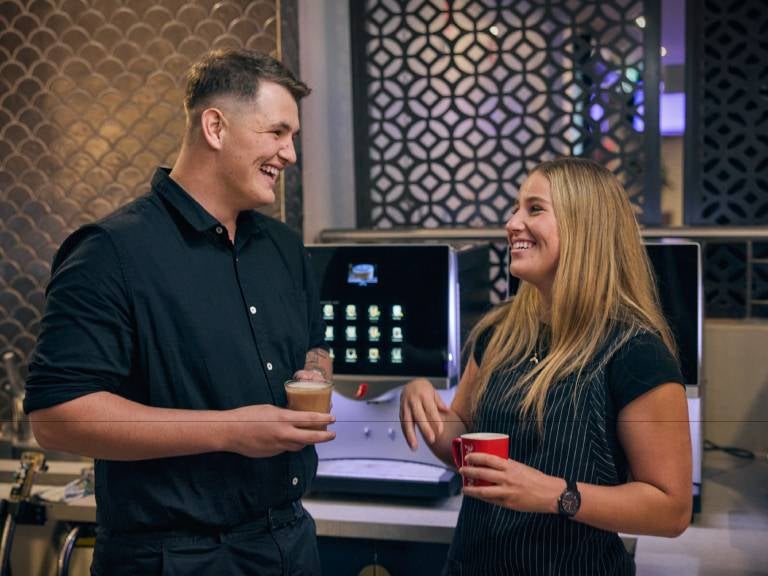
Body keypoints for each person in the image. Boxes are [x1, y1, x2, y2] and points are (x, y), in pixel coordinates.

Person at [24, 49, 334, 575]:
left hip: (291, 544)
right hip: (171, 557)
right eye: (277, 133)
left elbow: (316, 346)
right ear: (215, 127)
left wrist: (314, 371)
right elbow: (57, 418)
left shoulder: (283, 247)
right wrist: (230, 430)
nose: (290, 154)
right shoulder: (109, 251)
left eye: (293, 137)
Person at [400, 157, 692, 575]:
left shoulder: (635, 352)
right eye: (515, 209)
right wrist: (423, 403)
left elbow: (671, 509)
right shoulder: (499, 332)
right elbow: (462, 446)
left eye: (534, 209)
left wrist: (556, 495)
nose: (512, 223)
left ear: (583, 226)